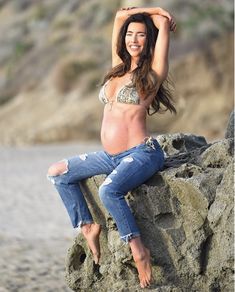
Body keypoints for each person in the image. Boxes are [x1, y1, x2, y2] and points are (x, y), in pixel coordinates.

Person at [47, 6, 176, 289]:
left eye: (141, 35)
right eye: (130, 34)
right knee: (57, 172)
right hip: (111, 156)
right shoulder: (117, 66)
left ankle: (138, 249)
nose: (134, 39)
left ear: (149, 40)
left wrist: (157, 16)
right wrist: (149, 8)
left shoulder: (154, 72)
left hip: (143, 153)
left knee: (108, 190)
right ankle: (87, 226)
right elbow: (119, 15)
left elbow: (162, 23)